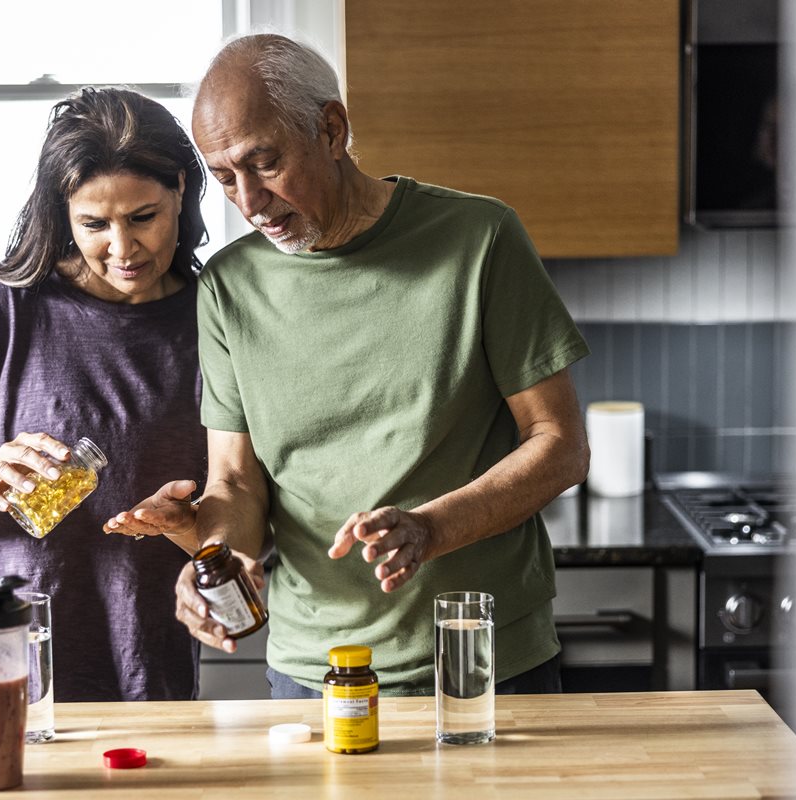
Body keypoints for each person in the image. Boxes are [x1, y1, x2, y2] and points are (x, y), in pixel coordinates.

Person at [145, 33, 592, 698]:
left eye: (264, 164)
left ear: (331, 129)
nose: (250, 202)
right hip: (314, 668)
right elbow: (236, 483)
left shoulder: (479, 240)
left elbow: (559, 446)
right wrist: (218, 557)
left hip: (483, 652)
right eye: (224, 178)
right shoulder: (228, 288)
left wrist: (429, 528)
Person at [0, 87, 209, 703]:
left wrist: (189, 528)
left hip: (142, 666)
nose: (122, 247)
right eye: (94, 224)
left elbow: (241, 510)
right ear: (63, 216)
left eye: (143, 217)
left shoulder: (213, 318)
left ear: (180, 192)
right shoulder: (1, 306)